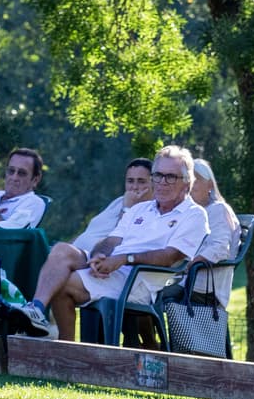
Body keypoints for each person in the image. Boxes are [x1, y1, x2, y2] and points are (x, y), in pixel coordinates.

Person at [41, 146, 209, 341]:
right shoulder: (141, 209)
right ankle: (65, 348)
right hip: (116, 271)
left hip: (140, 280)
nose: (162, 183)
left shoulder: (195, 215)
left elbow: (170, 256)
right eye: (157, 175)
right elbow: (112, 240)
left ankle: (67, 351)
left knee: (62, 286)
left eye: (170, 177)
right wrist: (99, 257)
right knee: (60, 261)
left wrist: (124, 259)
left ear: (187, 182)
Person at [19, 158, 154, 331]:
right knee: (53, 251)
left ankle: (47, 325)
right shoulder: (119, 201)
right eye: (130, 181)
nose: (134, 187)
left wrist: (128, 208)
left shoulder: (146, 210)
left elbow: (122, 242)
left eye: (141, 182)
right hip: (85, 255)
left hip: (105, 263)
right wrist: (65, 248)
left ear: (153, 183)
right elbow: (90, 232)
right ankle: (35, 310)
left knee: (59, 272)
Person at [188, 158, 244, 306]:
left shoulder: (218, 210)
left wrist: (187, 265)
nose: (190, 184)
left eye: (196, 179)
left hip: (203, 287)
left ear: (210, 185)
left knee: (144, 297)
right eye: (187, 179)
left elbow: (219, 249)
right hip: (184, 281)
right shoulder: (190, 214)